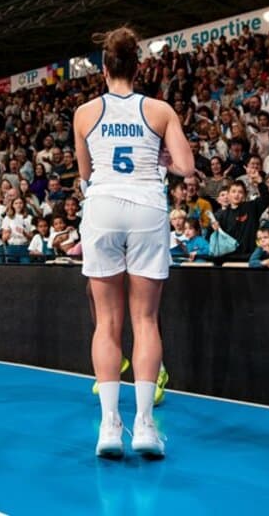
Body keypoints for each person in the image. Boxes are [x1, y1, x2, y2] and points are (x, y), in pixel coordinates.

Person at [73, 26, 193, 459]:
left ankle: (109, 426)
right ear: (138, 66)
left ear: (104, 68)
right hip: (147, 207)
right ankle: (144, 425)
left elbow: (85, 174)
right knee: (145, 320)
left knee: (107, 323)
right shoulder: (160, 110)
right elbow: (185, 166)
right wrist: (163, 157)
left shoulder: (85, 113)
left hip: (103, 208)